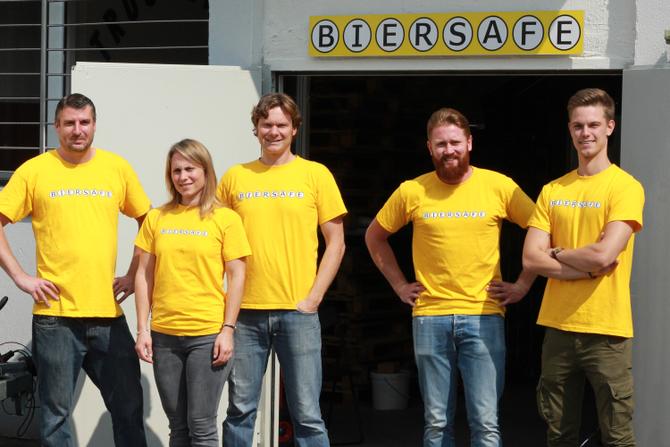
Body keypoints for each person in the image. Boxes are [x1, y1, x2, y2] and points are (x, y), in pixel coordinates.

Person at [365, 107, 536, 447]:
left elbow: (542, 229)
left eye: (455, 142)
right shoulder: (412, 191)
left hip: (484, 315)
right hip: (430, 317)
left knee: (486, 423)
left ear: (470, 143)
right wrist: (399, 285)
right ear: (429, 147)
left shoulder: (499, 186)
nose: (449, 150)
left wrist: (522, 284)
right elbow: (374, 236)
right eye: (441, 144)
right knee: (436, 423)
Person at [0, 93, 150, 446]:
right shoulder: (35, 171)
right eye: (69, 123)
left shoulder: (116, 168)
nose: (77, 130)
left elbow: (150, 222)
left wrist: (133, 274)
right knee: (55, 417)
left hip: (107, 316)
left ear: (94, 125)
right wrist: (21, 277)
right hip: (55, 319)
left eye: (84, 122)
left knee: (128, 409)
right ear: (56, 128)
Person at [218, 92, 346, 447]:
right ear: (256, 129)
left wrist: (314, 298)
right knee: (240, 410)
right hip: (245, 314)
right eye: (266, 124)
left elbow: (336, 242)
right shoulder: (235, 178)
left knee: (307, 413)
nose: (273, 131)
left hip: (298, 312)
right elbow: (215, 242)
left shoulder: (315, 175)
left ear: (294, 129)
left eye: (281, 125)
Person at [522, 88, 644, 446]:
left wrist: (557, 253)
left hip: (606, 329)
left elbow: (606, 255)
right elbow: (531, 258)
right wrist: (582, 262)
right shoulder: (552, 190)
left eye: (593, 124)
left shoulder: (625, 187)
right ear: (570, 129)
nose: (584, 133)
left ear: (610, 126)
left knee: (617, 434)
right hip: (557, 327)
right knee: (559, 432)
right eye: (577, 125)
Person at [134, 139, 249, 446]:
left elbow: (238, 276)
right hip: (165, 336)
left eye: (190, 169)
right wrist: (142, 329)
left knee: (201, 425)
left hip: (207, 335)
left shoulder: (225, 219)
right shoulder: (157, 218)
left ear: (205, 171)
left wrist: (228, 329)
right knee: (178, 426)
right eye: (176, 171)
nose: (183, 177)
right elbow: (144, 276)